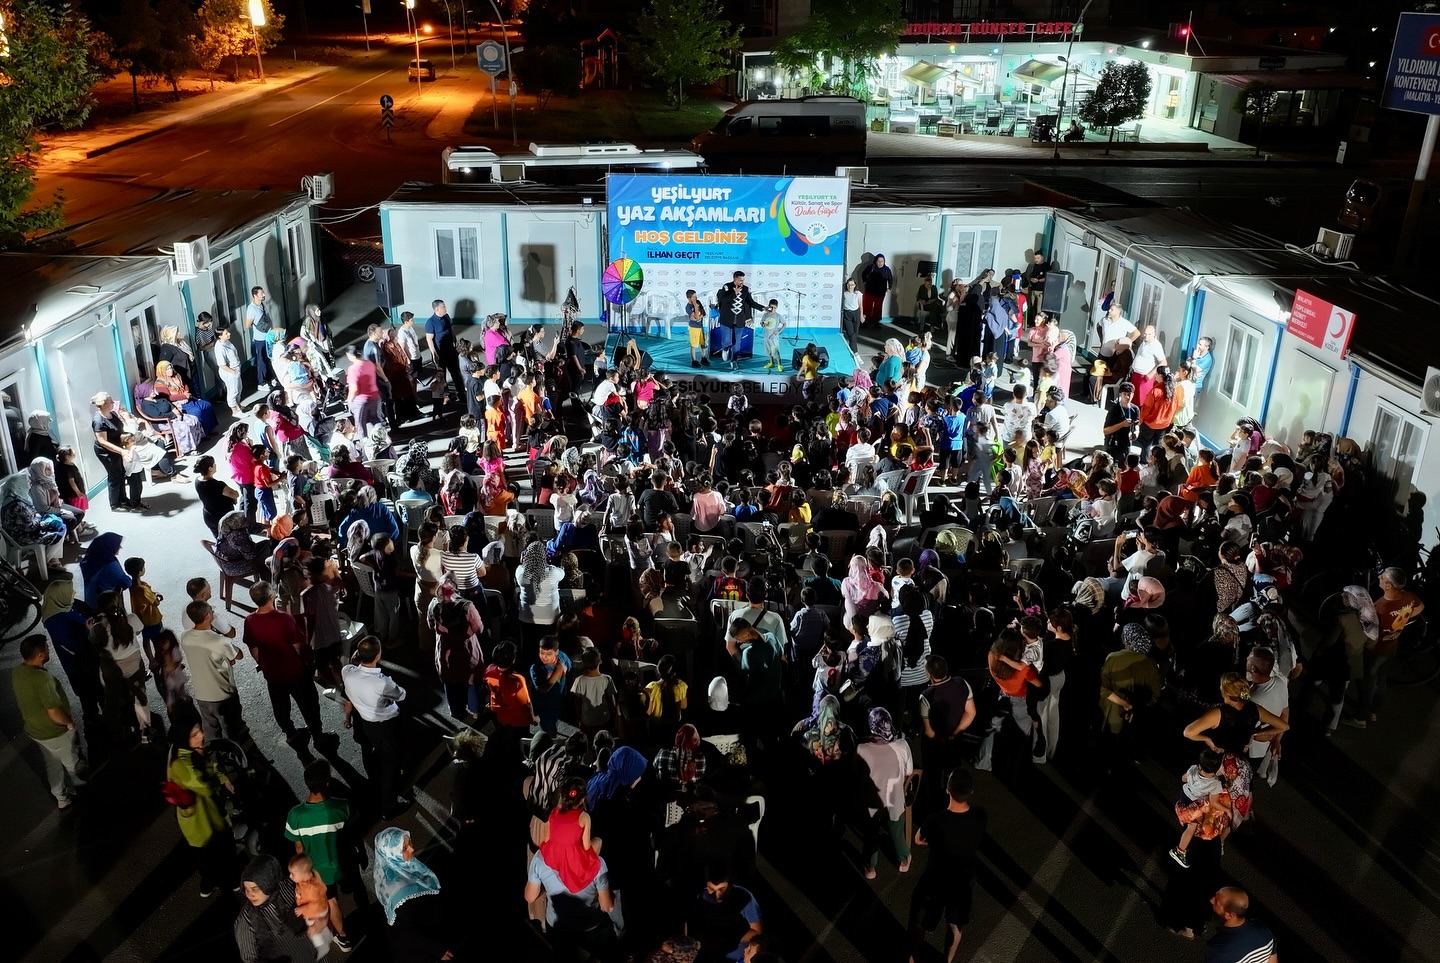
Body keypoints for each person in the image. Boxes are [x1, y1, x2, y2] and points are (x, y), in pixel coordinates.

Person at [908, 768, 987, 963]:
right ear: (971, 792)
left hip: (936, 878)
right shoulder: (980, 816)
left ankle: (912, 958)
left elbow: (918, 839)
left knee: (919, 922)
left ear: (947, 790)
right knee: (955, 924)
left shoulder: (936, 819)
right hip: (963, 880)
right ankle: (947, 960)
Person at [284, 760, 355, 951]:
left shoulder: (295, 815)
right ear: (328, 783)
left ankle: (342, 938)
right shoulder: (342, 807)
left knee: (331, 902)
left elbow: (298, 848)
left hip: (316, 871)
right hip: (340, 863)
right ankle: (343, 937)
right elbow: (348, 836)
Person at [244, 581, 325, 748]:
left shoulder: (250, 620)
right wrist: (304, 663)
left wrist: (262, 663)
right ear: (271, 597)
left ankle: (291, 733)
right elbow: (297, 645)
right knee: (309, 704)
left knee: (280, 707)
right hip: (294, 671)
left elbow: (253, 648)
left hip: (272, 674)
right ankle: (318, 736)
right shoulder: (283, 618)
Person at [167, 709, 235, 898]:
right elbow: (204, 786)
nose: (202, 736)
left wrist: (221, 777)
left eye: (200, 731)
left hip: (208, 814)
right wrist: (219, 778)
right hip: (200, 821)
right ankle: (218, 883)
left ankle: (217, 881)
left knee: (216, 851)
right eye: (194, 734)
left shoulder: (189, 751)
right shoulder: (180, 763)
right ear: (184, 738)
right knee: (211, 854)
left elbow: (210, 767)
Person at [12, 635, 85, 808]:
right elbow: (53, 711)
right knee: (71, 762)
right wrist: (68, 723)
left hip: (35, 731)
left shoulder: (18, 671)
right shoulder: (42, 679)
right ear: (40, 655)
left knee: (52, 764)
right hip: (53, 732)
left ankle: (61, 797)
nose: (48, 649)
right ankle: (81, 790)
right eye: (46, 648)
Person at [342, 636, 408, 817]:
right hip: (387, 725)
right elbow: (401, 694)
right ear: (378, 654)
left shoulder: (347, 671)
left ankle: (379, 783)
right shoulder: (381, 682)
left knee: (378, 755)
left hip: (367, 722)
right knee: (391, 764)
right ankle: (388, 807)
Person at [1353, 566, 1426, 727]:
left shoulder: (1380, 607)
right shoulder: (1408, 597)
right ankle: (1373, 711)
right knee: (1382, 680)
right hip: (1392, 647)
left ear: (1388, 585)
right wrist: (1403, 618)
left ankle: (1361, 718)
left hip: (1375, 650)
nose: (1379, 579)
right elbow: (1420, 607)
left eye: (1382, 578)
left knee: (1368, 684)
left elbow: (1368, 630)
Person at [374, 827, 454, 960]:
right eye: (404, 848)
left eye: (409, 842)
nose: (411, 849)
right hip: (418, 951)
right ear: (391, 854)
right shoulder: (400, 892)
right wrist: (437, 950)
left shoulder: (395, 868)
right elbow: (407, 931)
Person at [181, 600, 251, 743]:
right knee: (232, 729)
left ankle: (217, 759)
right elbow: (239, 655)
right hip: (222, 694)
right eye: (211, 612)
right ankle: (239, 758)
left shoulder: (185, 637)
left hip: (202, 694)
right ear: (207, 616)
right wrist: (226, 657)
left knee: (211, 731)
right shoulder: (218, 641)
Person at [857, 706, 913, 879]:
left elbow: (856, 774)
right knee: (896, 831)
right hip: (894, 800)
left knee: (870, 833)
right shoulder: (902, 746)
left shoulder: (862, 749)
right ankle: (903, 860)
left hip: (871, 802)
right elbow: (909, 772)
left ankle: (870, 868)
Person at [233, 854, 316, 963]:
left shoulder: (290, 887)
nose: (250, 894)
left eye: (255, 889)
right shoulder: (247, 921)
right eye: (247, 889)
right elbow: (250, 959)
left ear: (268, 883)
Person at [1168, 749, 1230, 868]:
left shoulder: (1193, 769)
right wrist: (1227, 810)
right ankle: (1179, 851)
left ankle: (1184, 818)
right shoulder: (1215, 784)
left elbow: (1183, 779)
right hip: (1194, 804)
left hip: (1184, 795)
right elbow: (1214, 802)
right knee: (1192, 827)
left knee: (1186, 812)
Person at [688, 864, 762, 963]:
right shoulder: (700, 897)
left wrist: (727, 938)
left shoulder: (744, 897)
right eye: (711, 889)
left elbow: (758, 933)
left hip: (735, 958)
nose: (716, 896)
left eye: (722, 889)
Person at [1206, 887, 1278, 963]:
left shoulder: (1217, 950)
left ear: (1229, 915)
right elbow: (1273, 960)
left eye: (1216, 902)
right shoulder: (1262, 929)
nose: (1211, 900)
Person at [715, 271, 766, 370]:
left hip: (739, 321)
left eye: (743, 280)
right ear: (735, 279)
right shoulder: (726, 287)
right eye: (740, 280)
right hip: (726, 320)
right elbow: (723, 301)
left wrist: (763, 308)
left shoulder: (746, 289)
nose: (742, 282)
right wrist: (734, 293)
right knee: (726, 341)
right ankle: (725, 349)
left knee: (737, 344)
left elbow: (750, 302)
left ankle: (734, 360)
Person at [861, 254, 894, 326]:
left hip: (880, 292)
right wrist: (865, 281)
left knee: (878, 307)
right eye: (878, 261)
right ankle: (866, 320)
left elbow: (890, 279)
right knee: (867, 306)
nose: (880, 263)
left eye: (882, 261)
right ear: (875, 261)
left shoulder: (887, 269)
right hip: (869, 291)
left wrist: (890, 288)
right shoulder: (871, 267)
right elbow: (863, 273)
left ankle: (876, 322)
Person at [686, 289, 711, 368]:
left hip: (700, 327)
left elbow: (703, 313)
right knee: (694, 345)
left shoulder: (698, 302)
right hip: (693, 328)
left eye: (696, 296)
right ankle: (694, 360)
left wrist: (698, 317)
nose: (696, 298)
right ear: (689, 298)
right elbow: (696, 317)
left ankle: (703, 358)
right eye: (693, 296)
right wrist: (696, 307)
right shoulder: (688, 307)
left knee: (703, 343)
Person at [759, 299, 786, 370]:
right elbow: (762, 323)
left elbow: (784, 324)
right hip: (766, 336)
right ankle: (771, 363)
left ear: (777, 307)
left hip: (773, 338)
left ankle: (780, 365)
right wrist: (762, 324)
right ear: (768, 306)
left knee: (775, 351)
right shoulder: (765, 315)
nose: (773, 309)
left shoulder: (778, 316)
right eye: (771, 307)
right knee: (768, 351)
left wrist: (779, 331)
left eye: (775, 308)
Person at [841, 277, 863, 350]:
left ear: (855, 285)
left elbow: (860, 305)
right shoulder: (844, 294)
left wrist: (861, 316)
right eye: (848, 284)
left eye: (852, 285)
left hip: (856, 314)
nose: (850, 286)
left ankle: (851, 350)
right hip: (847, 314)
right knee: (851, 334)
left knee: (855, 335)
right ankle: (855, 352)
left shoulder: (858, 293)